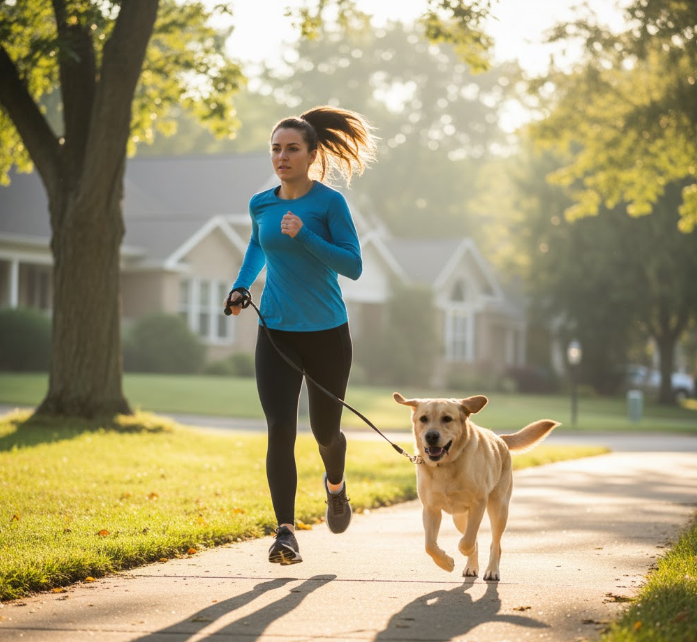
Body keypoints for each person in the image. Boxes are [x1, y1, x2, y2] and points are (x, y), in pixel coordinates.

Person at [225, 106, 378, 565]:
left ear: (313, 155)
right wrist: (240, 286)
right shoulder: (261, 203)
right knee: (279, 429)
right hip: (275, 332)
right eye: (275, 149)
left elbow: (353, 265)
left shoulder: (329, 204)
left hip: (327, 333)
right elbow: (257, 245)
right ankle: (285, 533)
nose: (282, 156)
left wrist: (306, 235)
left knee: (325, 430)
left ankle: (336, 486)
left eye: (292, 149)